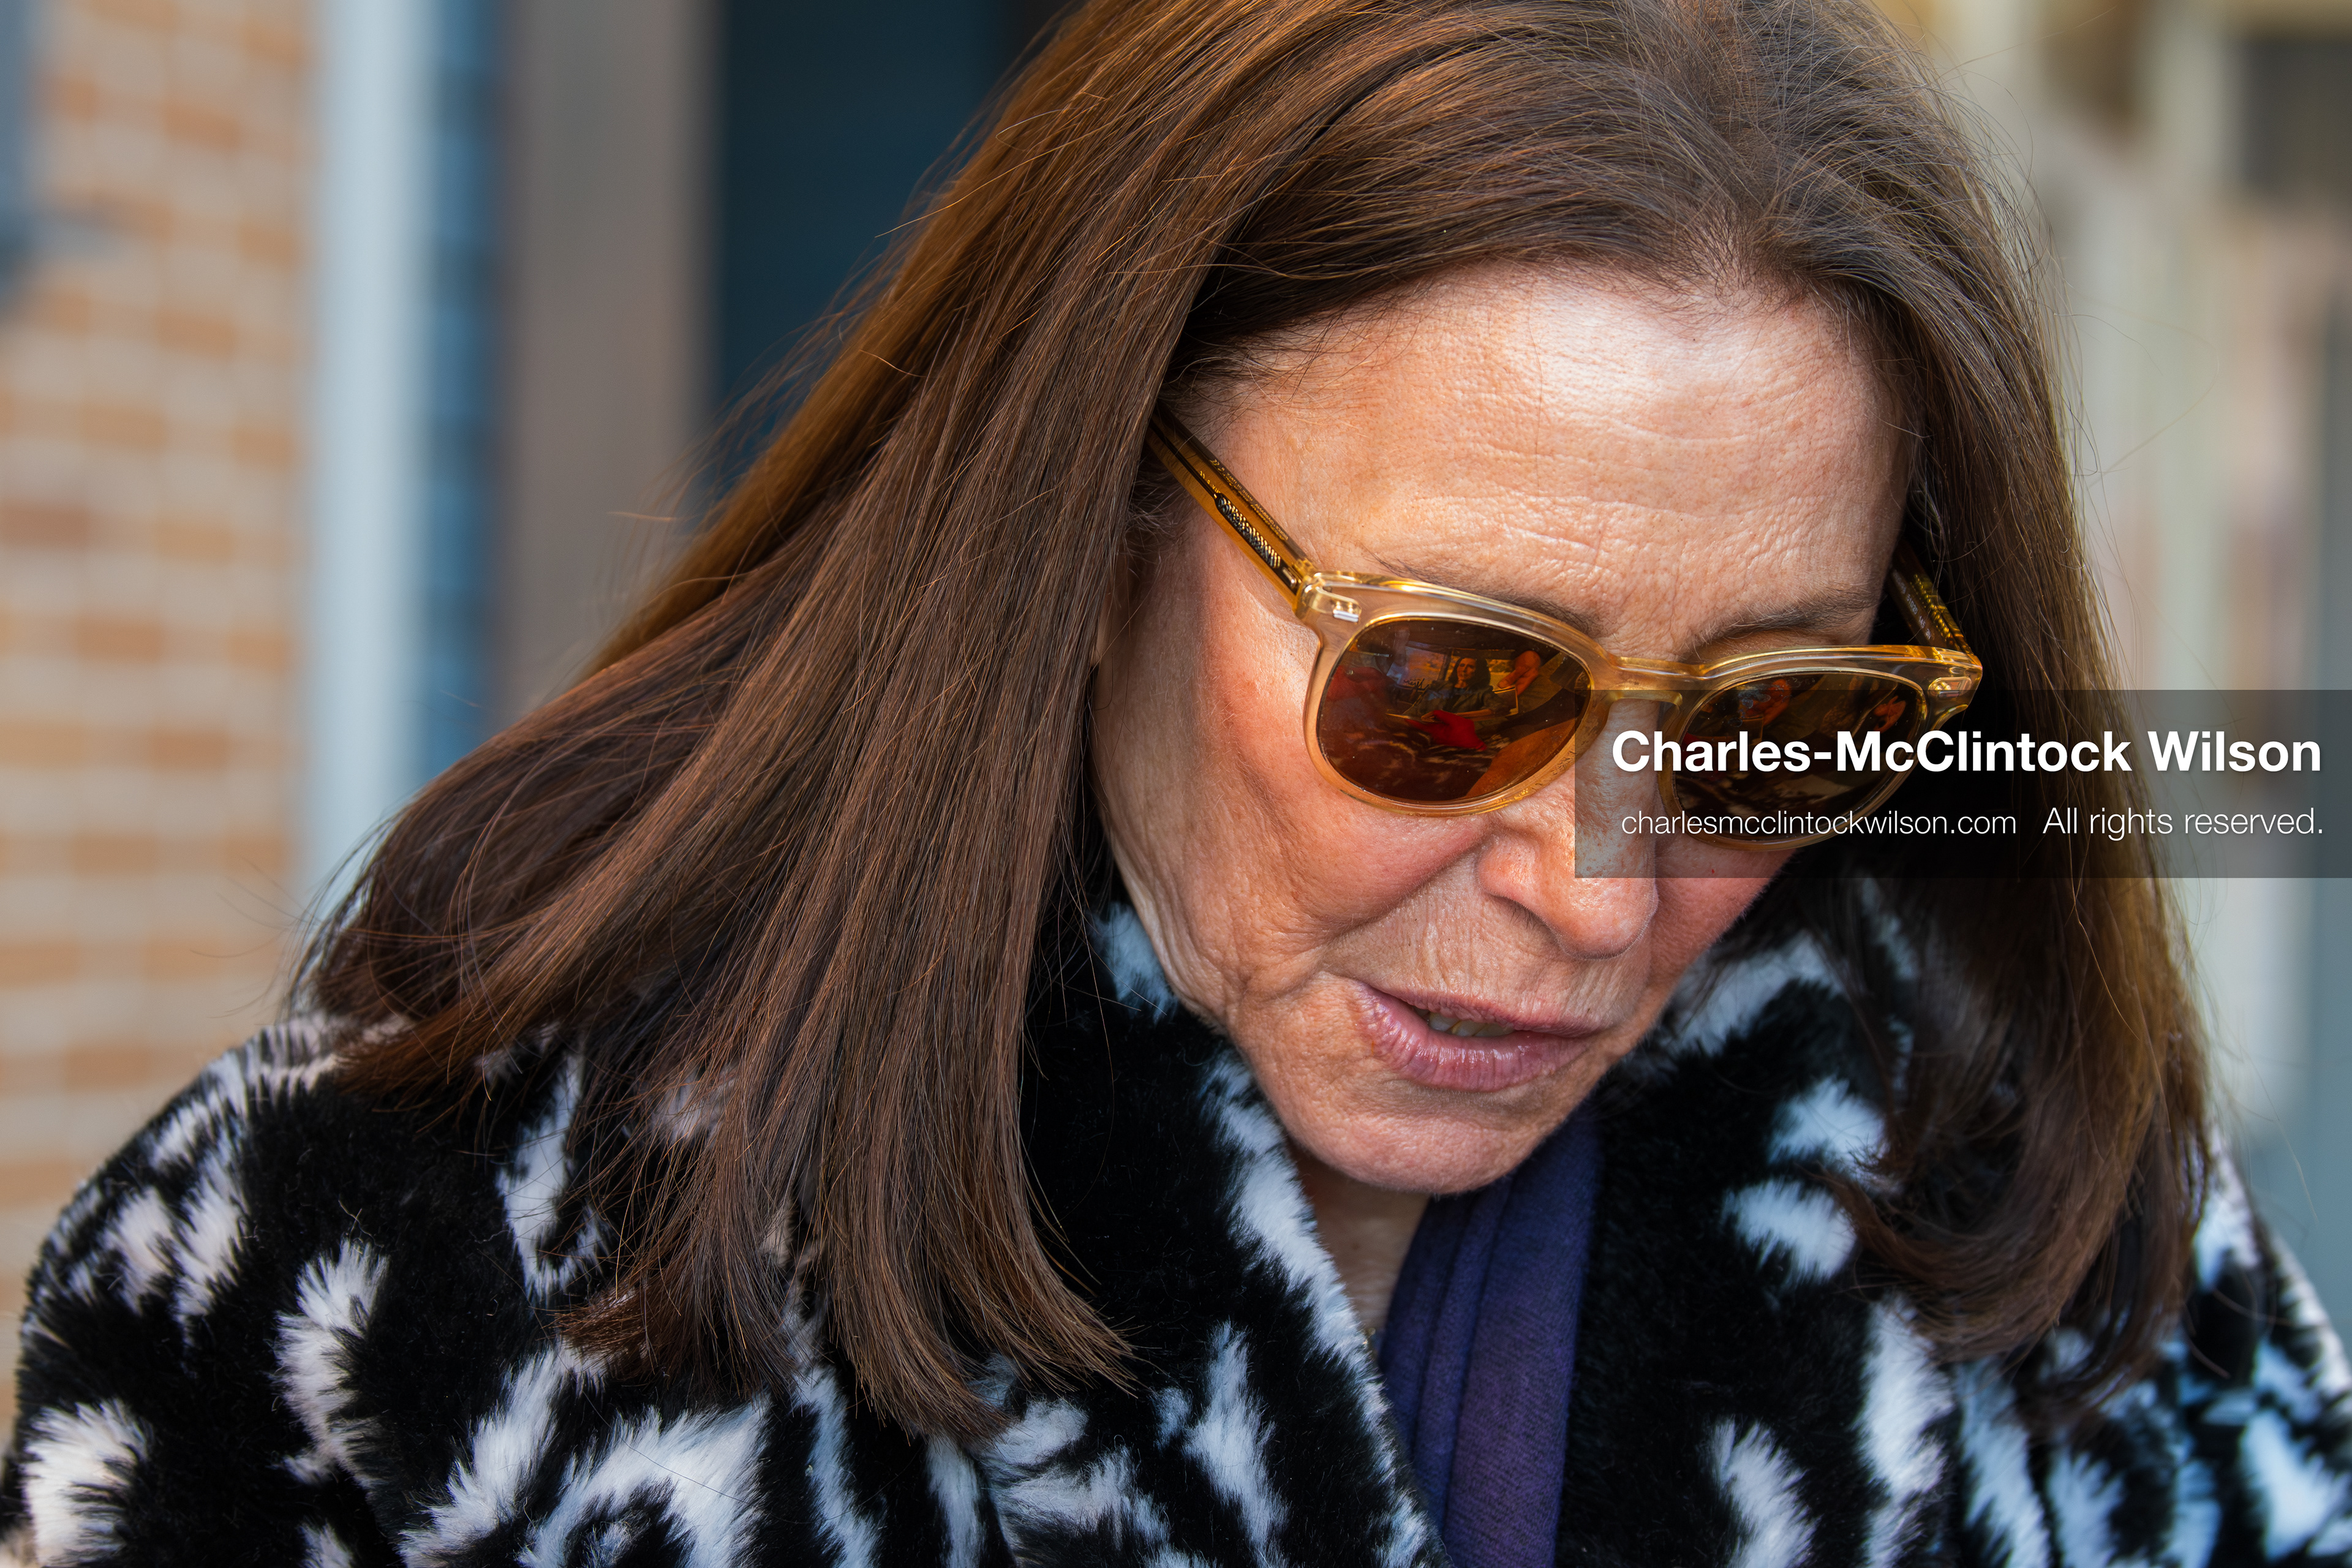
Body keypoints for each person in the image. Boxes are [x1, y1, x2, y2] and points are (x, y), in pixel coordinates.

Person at [6, 0, 2348, 1563]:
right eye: (1448, 684)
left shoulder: (2065, 1253)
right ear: (1100, 531)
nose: (1596, 887)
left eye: (1759, 727)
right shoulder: (407, 1292)